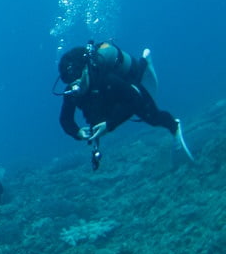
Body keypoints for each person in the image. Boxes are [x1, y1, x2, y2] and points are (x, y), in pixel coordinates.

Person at [55, 40, 193, 169]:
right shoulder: (71, 93)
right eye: (72, 86)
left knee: (153, 117)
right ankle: (142, 65)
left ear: (86, 70)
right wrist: (77, 132)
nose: (76, 90)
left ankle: (174, 126)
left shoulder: (106, 79)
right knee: (97, 116)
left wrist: (109, 124)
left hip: (123, 90)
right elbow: (65, 119)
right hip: (106, 99)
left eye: (79, 83)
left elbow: (134, 100)